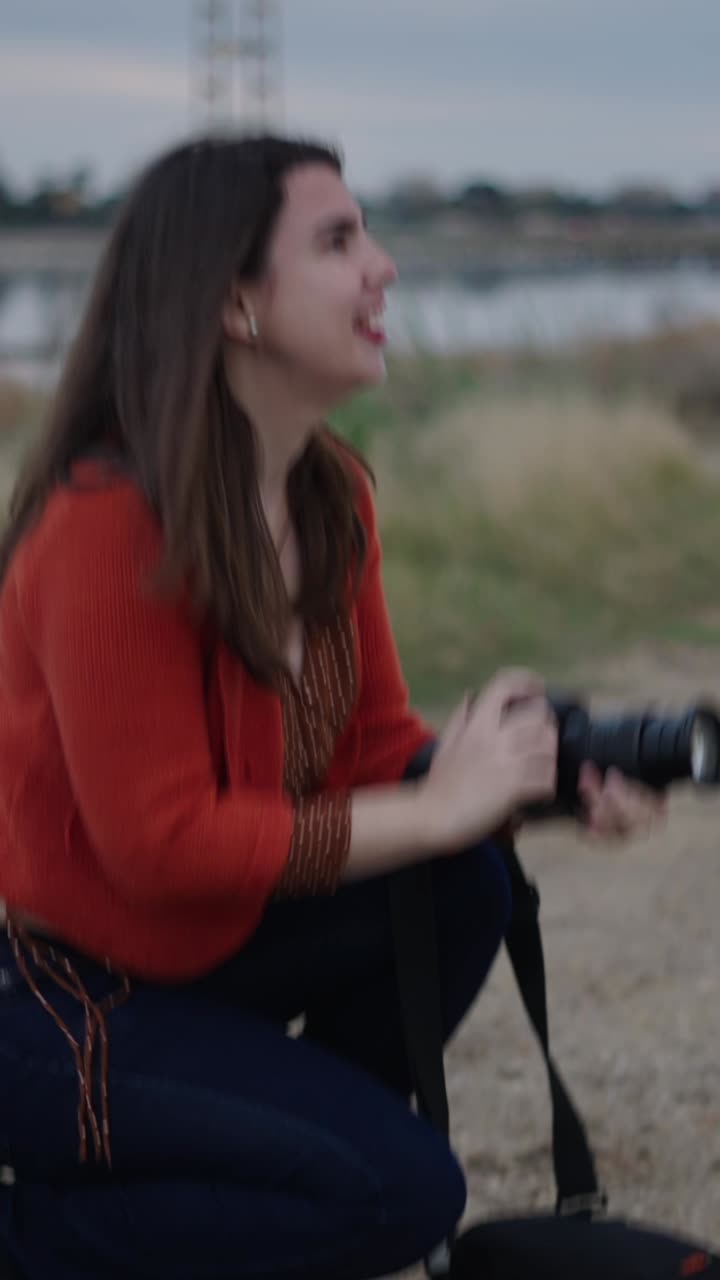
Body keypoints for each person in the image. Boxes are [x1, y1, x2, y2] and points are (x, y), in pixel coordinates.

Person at [0, 134, 665, 1280]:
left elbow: (369, 749)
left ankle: (254, 1166)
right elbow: (160, 846)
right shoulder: (107, 521)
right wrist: (438, 805)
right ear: (234, 303)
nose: (386, 268)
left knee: (465, 877)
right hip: (63, 1005)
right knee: (402, 1192)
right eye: (338, 240)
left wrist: (525, 781)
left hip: (206, 963)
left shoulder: (328, 490)